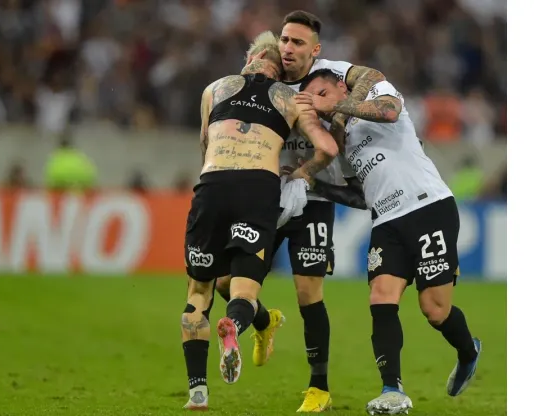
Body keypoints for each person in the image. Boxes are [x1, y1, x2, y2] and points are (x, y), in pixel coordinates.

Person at [216, 10, 390, 413]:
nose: (288, 48)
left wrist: (310, 168)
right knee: (227, 282)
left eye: (297, 42)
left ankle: (319, 388)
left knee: (308, 293)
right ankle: (262, 322)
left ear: (314, 50)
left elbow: (344, 125)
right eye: (284, 40)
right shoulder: (261, 85)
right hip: (264, 198)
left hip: (312, 200)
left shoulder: (325, 82)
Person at [299, 69, 482, 415]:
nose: (319, 105)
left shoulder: (377, 94)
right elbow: (359, 194)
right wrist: (310, 181)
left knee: (434, 309)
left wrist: (342, 109)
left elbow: (390, 112)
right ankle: (392, 389)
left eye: (321, 94)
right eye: (313, 102)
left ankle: (468, 351)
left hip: (428, 207)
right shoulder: (342, 140)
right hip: (385, 221)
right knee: (381, 298)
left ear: (341, 86)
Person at [180, 31, 339, 411]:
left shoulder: (214, 89)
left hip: (212, 184)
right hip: (258, 188)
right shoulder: (289, 97)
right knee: (242, 291)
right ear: (277, 68)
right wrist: (303, 174)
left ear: (247, 61)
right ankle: (237, 325)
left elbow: (205, 143)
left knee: (198, 295)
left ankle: (197, 393)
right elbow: (328, 148)